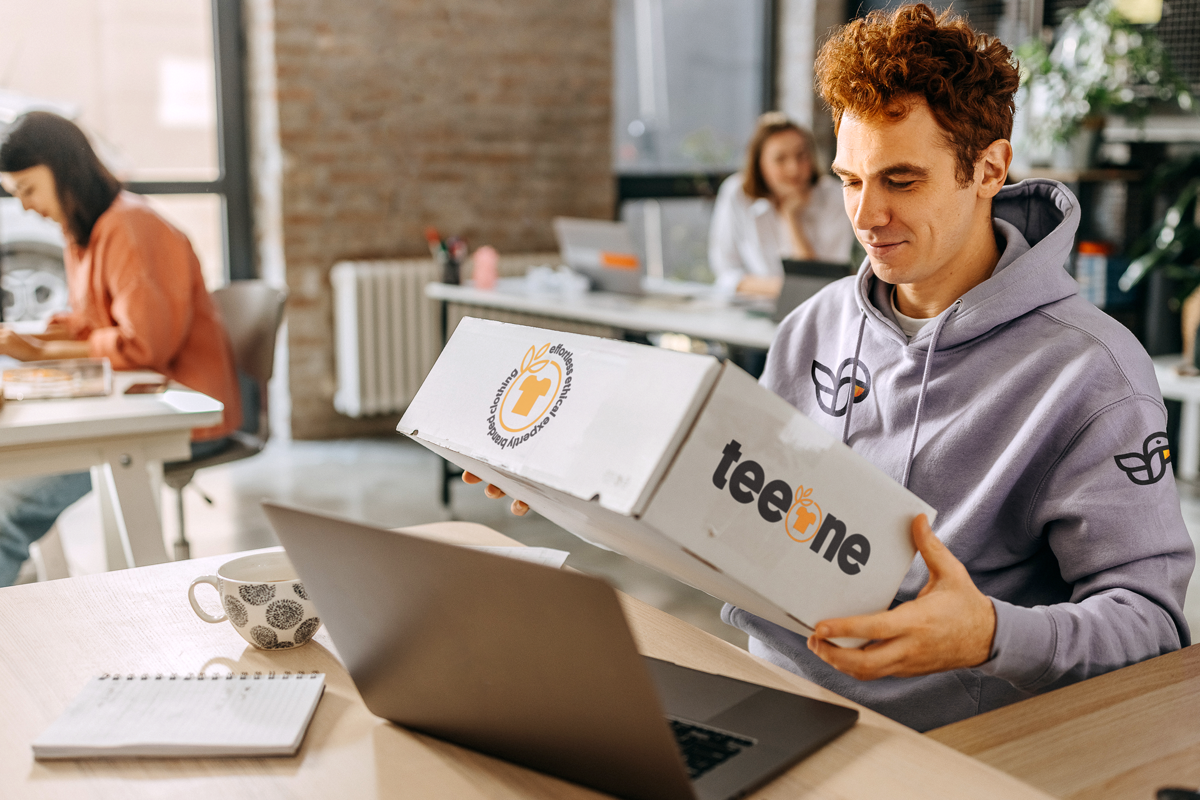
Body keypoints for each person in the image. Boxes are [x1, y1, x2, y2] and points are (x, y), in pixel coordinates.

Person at [717, 3, 1194, 730]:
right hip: (765, 695)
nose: (865, 216)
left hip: (942, 744)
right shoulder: (811, 326)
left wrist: (989, 637)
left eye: (901, 181)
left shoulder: (1093, 372)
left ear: (989, 168)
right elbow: (735, 511)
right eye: (850, 180)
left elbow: (1152, 627)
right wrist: (588, 488)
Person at [0, 111, 242, 586]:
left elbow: (143, 345)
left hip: (183, 411)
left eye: (28, 189)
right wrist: (39, 340)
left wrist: (43, 354)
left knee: (7, 509)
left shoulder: (131, 227)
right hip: (140, 402)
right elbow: (93, 321)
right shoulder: (84, 231)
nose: (25, 208)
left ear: (62, 167)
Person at [708, 112, 854, 296]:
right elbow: (727, 274)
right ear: (760, 164)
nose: (794, 169)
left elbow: (823, 279)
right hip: (755, 308)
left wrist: (791, 218)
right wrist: (787, 289)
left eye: (801, 156)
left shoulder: (834, 196)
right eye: (780, 159)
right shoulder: (737, 193)